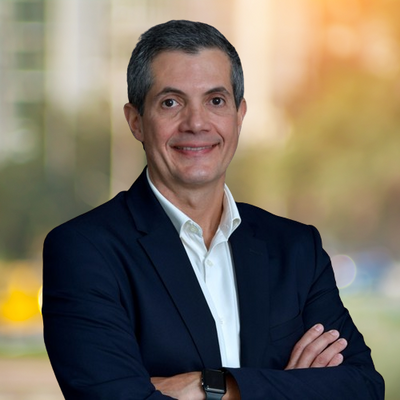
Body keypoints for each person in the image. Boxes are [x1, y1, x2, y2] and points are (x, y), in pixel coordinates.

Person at [42, 20, 384, 400]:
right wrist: (287, 387)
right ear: (136, 121)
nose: (196, 123)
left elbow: (363, 387)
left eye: (215, 101)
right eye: (171, 102)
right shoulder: (83, 251)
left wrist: (213, 387)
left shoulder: (296, 248)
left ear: (239, 115)